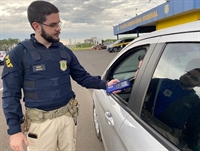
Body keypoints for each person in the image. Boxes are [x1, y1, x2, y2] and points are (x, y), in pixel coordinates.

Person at [1, 1, 119, 151]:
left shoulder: (64, 51)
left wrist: (105, 84)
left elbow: (82, 77)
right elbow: (10, 94)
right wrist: (14, 130)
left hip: (67, 119)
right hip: (40, 125)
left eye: (59, 23)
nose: (59, 28)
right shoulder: (19, 54)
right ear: (36, 26)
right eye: (53, 25)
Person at [144, 68, 200, 150]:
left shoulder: (195, 102)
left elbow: (193, 128)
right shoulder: (163, 82)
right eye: (188, 73)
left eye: (194, 78)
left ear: (198, 84)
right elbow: (138, 85)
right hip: (144, 120)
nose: (188, 77)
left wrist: (191, 147)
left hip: (166, 135)